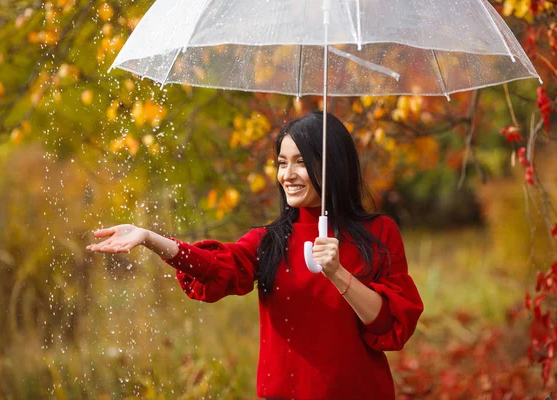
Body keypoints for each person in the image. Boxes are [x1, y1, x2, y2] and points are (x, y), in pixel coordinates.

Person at [87, 111, 424, 400]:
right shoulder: (270, 241)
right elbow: (214, 267)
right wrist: (150, 238)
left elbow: (389, 325)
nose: (287, 175)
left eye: (301, 163)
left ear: (333, 165)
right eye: (282, 163)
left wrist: (338, 273)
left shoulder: (379, 234)